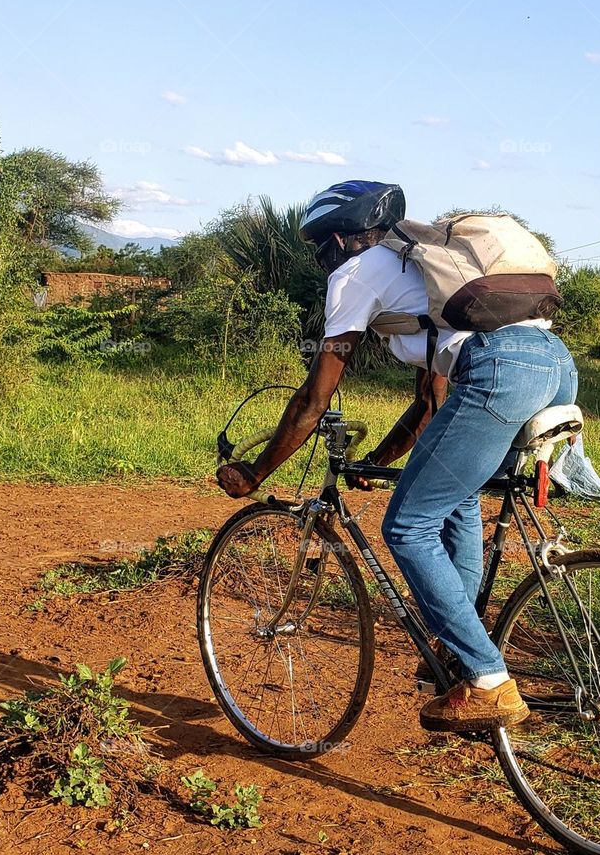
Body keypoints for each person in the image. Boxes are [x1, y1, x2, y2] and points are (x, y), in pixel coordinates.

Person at [216, 180, 577, 733]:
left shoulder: (355, 275)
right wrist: (382, 459)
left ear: (337, 241)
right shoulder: (428, 270)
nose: (321, 262)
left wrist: (254, 471)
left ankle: (486, 679)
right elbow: (429, 404)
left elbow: (316, 396)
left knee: (407, 526)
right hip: (553, 365)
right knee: (452, 503)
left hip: (500, 373)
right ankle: (459, 643)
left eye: (318, 250)